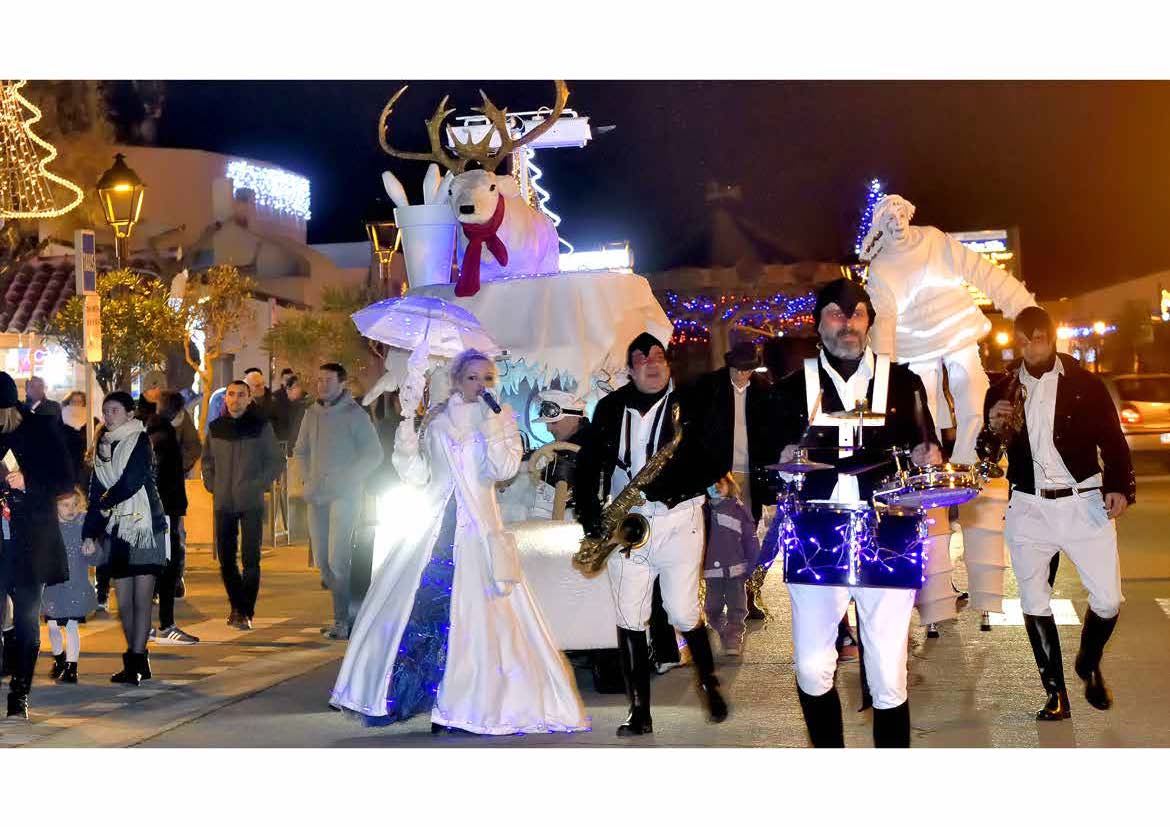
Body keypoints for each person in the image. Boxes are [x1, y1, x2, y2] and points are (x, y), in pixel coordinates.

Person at [329, 348, 587, 735]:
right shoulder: (436, 419)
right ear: (456, 381)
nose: (480, 385)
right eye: (472, 377)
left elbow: (502, 470)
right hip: (433, 533)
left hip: (477, 533)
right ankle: (421, 696)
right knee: (420, 614)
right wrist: (406, 433)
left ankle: (462, 706)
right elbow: (418, 476)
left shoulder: (500, 420)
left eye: (487, 378)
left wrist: (493, 425)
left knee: (474, 621)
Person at [774, 278, 941, 748]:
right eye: (836, 313)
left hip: (890, 532)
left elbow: (927, 447)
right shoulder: (789, 390)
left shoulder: (904, 383)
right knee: (812, 668)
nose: (847, 323)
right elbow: (767, 471)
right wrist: (782, 461)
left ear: (869, 322)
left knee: (889, 673)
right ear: (818, 324)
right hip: (814, 533)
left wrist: (929, 455)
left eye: (857, 313)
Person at [861, 194, 1037, 628]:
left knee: (970, 383)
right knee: (924, 404)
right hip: (915, 346)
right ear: (881, 225)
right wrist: (882, 377)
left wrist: (1027, 313)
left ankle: (968, 456)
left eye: (902, 214)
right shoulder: (881, 270)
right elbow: (884, 325)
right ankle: (934, 459)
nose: (898, 222)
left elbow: (984, 273)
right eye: (889, 217)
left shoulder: (936, 242)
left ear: (910, 215)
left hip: (957, 329)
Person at [573, 332, 728, 736]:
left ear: (668, 362)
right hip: (628, 523)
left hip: (680, 518)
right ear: (630, 369)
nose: (652, 363)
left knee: (682, 611)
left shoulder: (692, 404)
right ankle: (639, 711)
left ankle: (709, 685)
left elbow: (716, 460)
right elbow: (588, 464)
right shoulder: (610, 408)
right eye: (642, 359)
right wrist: (591, 517)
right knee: (629, 616)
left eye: (658, 356)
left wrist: (666, 486)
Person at [987, 306, 1134, 720]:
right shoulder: (1002, 387)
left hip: (1082, 501)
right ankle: (1055, 694)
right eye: (1022, 339)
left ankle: (1087, 662)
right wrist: (992, 427)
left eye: (1037, 338)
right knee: (1034, 598)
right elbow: (988, 453)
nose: (1030, 347)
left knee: (1108, 600)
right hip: (1028, 505)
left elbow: (1113, 440)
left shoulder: (1085, 385)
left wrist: (1118, 486)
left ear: (1051, 339)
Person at [0, 371, 74, 718]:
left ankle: (20, 692)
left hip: (31, 539)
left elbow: (65, 479)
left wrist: (27, 481)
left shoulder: (40, 430)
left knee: (28, 620)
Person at [82, 391, 168, 687]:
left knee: (141, 601)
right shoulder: (102, 446)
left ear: (130, 414)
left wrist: (105, 502)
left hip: (145, 527)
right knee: (125, 603)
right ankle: (138, 661)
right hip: (116, 530)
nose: (108, 416)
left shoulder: (140, 440)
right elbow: (95, 492)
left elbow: (132, 480)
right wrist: (89, 532)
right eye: (105, 411)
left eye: (115, 410)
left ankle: (135, 660)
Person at [295, 363, 384, 640]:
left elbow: (374, 454)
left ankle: (343, 621)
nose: (322, 384)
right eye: (319, 380)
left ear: (342, 383)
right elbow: (300, 451)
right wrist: (307, 480)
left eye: (328, 380)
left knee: (338, 561)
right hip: (316, 496)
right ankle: (343, 617)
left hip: (344, 497)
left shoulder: (355, 415)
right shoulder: (311, 414)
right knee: (323, 563)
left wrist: (349, 479)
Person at [692, 340, 779, 619]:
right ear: (729, 364)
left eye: (748, 369)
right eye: (738, 368)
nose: (742, 374)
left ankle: (749, 597)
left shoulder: (765, 390)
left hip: (751, 473)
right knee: (713, 538)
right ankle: (709, 602)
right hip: (719, 473)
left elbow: (771, 435)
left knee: (747, 537)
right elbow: (698, 431)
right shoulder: (710, 387)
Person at [201, 381, 284, 631]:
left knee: (251, 560)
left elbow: (276, 461)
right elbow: (207, 461)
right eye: (231, 394)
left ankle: (245, 610)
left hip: (250, 502)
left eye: (240, 395)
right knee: (226, 560)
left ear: (249, 399)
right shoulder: (216, 428)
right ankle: (237, 607)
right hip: (223, 502)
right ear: (225, 398)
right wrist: (212, 484)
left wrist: (258, 484)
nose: (235, 399)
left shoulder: (261, 426)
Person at [146, 397, 199, 644]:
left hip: (163, 509)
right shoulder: (164, 437)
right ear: (177, 412)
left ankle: (155, 625)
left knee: (161, 567)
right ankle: (165, 625)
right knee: (167, 567)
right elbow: (159, 477)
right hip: (165, 511)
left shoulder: (155, 432)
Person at [41, 488, 97, 683]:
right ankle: (59, 659)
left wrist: (92, 550)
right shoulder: (48, 527)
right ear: (55, 506)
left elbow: (96, 557)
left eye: (75, 504)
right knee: (53, 626)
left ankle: (72, 668)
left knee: (71, 626)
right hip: (54, 587)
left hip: (76, 586)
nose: (71, 509)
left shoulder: (84, 526)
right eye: (65, 505)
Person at [703, 473, 760, 657]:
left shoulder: (738, 509)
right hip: (711, 571)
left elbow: (750, 539)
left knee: (737, 607)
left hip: (735, 569)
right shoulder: (703, 510)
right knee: (712, 608)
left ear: (729, 484)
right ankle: (724, 632)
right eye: (711, 484)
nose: (716, 487)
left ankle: (734, 637)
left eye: (720, 482)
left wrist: (751, 565)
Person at [60, 391, 93, 484]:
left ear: (84, 403)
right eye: (73, 401)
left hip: (85, 464)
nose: (76, 404)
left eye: (79, 401)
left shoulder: (92, 420)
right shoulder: (60, 420)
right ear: (68, 402)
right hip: (65, 465)